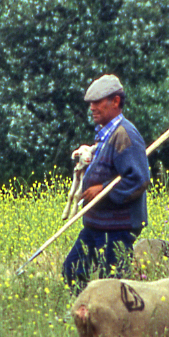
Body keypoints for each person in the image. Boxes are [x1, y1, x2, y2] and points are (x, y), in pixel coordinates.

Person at [63, 74, 150, 292]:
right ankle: (86, 316)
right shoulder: (105, 135)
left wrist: (102, 189)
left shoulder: (125, 135)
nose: (91, 107)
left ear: (115, 102)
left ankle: (111, 323)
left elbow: (138, 179)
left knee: (111, 284)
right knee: (72, 269)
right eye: (90, 103)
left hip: (117, 226)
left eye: (97, 102)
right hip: (97, 223)